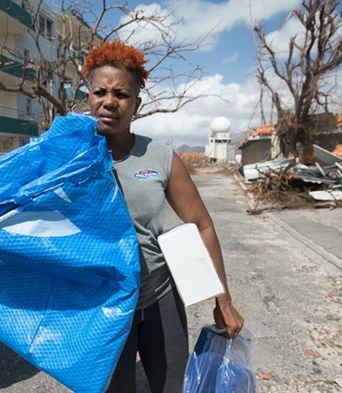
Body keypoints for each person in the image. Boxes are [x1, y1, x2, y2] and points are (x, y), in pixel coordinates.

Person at [82, 40, 244, 392]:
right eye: (100, 91)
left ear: (136, 105)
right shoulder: (67, 160)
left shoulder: (160, 157)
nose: (109, 101)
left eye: (121, 94)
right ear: (89, 98)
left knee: (173, 387)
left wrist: (223, 300)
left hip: (159, 297)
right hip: (103, 307)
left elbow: (201, 225)